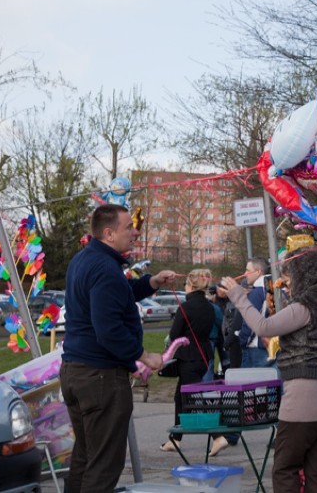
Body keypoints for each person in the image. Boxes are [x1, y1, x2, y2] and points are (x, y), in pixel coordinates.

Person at [60, 204, 175, 493]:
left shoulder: (86, 260)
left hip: (76, 372)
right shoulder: (104, 268)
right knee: (104, 464)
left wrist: (151, 282)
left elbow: (119, 295)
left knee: (86, 457)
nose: (135, 232)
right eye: (128, 227)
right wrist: (144, 356)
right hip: (100, 377)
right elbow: (108, 329)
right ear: (109, 233)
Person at [218, 246, 317, 493]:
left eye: (288, 278)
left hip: (306, 399)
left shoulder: (304, 306)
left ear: (304, 274)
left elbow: (264, 327)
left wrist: (238, 296)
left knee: (285, 468)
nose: (284, 284)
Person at [160, 268, 216, 451]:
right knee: (181, 397)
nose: (184, 287)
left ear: (191, 285)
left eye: (185, 284)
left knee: (195, 399)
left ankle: (218, 435)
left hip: (189, 357)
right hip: (203, 356)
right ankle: (176, 438)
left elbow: (175, 334)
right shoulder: (210, 306)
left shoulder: (186, 307)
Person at [238, 257, 274, 368]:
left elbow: (250, 323)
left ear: (258, 272)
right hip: (274, 345)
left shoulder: (257, 292)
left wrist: (243, 341)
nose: (245, 274)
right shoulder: (277, 289)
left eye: (248, 270)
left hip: (258, 347)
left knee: (255, 383)